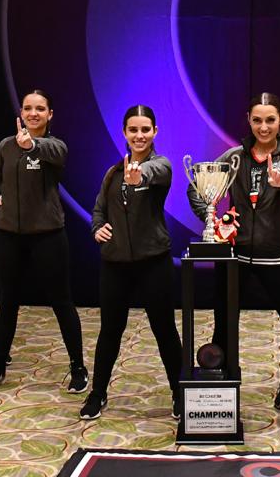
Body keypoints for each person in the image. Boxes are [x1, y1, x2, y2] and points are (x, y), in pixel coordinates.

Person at [186, 93, 280, 410]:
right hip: (234, 257)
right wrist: (212, 219)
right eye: (258, 120)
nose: (264, 127)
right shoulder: (233, 157)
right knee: (224, 324)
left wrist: (279, 179)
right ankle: (220, 391)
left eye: (270, 120)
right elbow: (196, 185)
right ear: (249, 120)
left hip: (274, 256)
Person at [79, 105, 184, 421]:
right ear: (124, 133)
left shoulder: (161, 166)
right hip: (114, 265)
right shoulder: (112, 173)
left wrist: (140, 175)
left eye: (145, 130)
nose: (139, 135)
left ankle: (179, 394)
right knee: (110, 330)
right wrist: (98, 228)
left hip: (154, 263)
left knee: (164, 329)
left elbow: (155, 175)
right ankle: (98, 394)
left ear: (155, 132)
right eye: (133, 130)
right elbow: (98, 211)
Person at [0, 90, 89, 392]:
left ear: (50, 114)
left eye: (40, 109)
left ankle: (77, 367)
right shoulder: (5, 146)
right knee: (8, 302)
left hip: (47, 236)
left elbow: (58, 155)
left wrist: (33, 145)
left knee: (61, 302)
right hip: (8, 236)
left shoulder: (54, 146)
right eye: (28, 108)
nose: (33, 113)